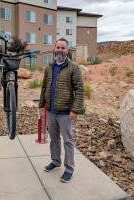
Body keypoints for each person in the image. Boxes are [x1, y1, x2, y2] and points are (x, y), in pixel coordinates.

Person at [39, 38, 84, 183]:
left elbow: (80, 90)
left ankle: (69, 169)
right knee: (53, 139)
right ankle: (55, 161)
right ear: (54, 49)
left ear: (67, 50)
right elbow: (44, 87)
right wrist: (41, 106)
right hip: (51, 111)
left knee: (68, 141)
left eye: (63, 48)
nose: (60, 50)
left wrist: (75, 110)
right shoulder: (49, 67)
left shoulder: (74, 67)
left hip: (65, 112)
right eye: (58, 47)